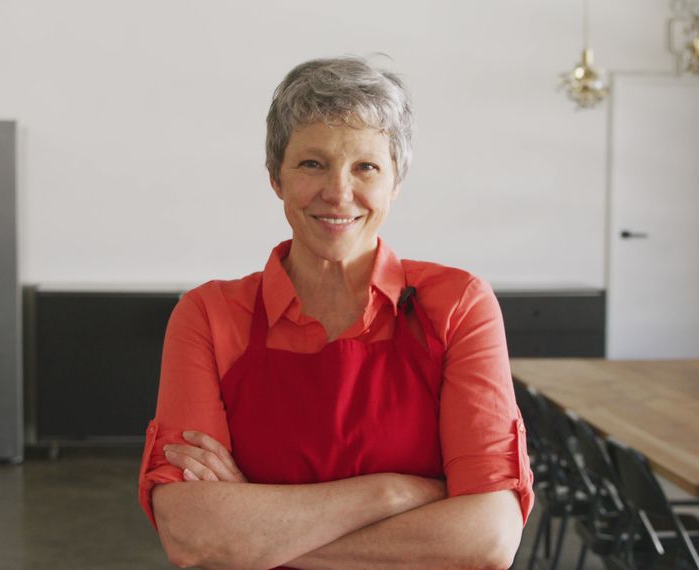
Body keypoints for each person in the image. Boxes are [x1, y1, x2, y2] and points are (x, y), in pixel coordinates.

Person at [137, 56, 534, 570]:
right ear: (276, 178)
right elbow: (191, 532)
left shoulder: (457, 306)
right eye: (312, 163)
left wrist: (252, 534)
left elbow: (487, 538)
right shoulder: (208, 316)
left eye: (365, 166)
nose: (338, 192)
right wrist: (390, 495)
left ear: (396, 181)